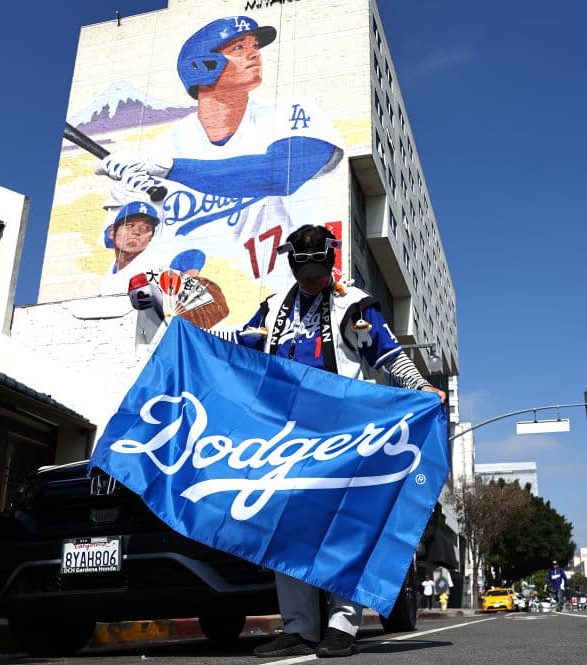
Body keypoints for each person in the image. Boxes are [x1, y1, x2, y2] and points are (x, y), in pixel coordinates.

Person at [204, 224, 445, 658]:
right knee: (286, 527)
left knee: (341, 527)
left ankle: (341, 625)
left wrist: (420, 386)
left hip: (342, 433)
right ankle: (299, 627)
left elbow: (388, 353)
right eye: (304, 269)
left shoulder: (355, 304)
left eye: (318, 269)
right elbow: (240, 344)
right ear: (292, 264)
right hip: (285, 434)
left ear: (330, 261)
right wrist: (188, 336)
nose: (312, 278)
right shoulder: (274, 305)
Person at [95, 15, 344, 297]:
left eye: (254, 46)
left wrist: (168, 169)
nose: (255, 54)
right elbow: (122, 243)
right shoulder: (162, 147)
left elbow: (280, 174)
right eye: (238, 48)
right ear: (202, 65)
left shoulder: (292, 112)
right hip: (190, 309)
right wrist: (128, 191)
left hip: (285, 301)